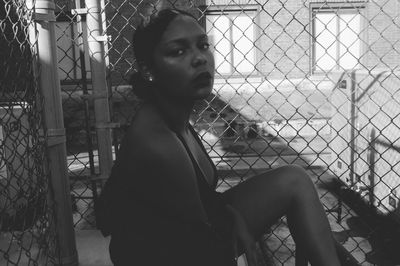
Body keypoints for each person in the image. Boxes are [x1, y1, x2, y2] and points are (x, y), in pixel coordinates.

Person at [98, 8, 341, 266]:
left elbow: (201, 204)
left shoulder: (175, 114)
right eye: (178, 51)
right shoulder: (158, 141)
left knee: (296, 180)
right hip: (165, 255)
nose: (200, 58)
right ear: (149, 70)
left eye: (203, 45)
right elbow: (205, 252)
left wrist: (234, 217)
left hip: (188, 235)